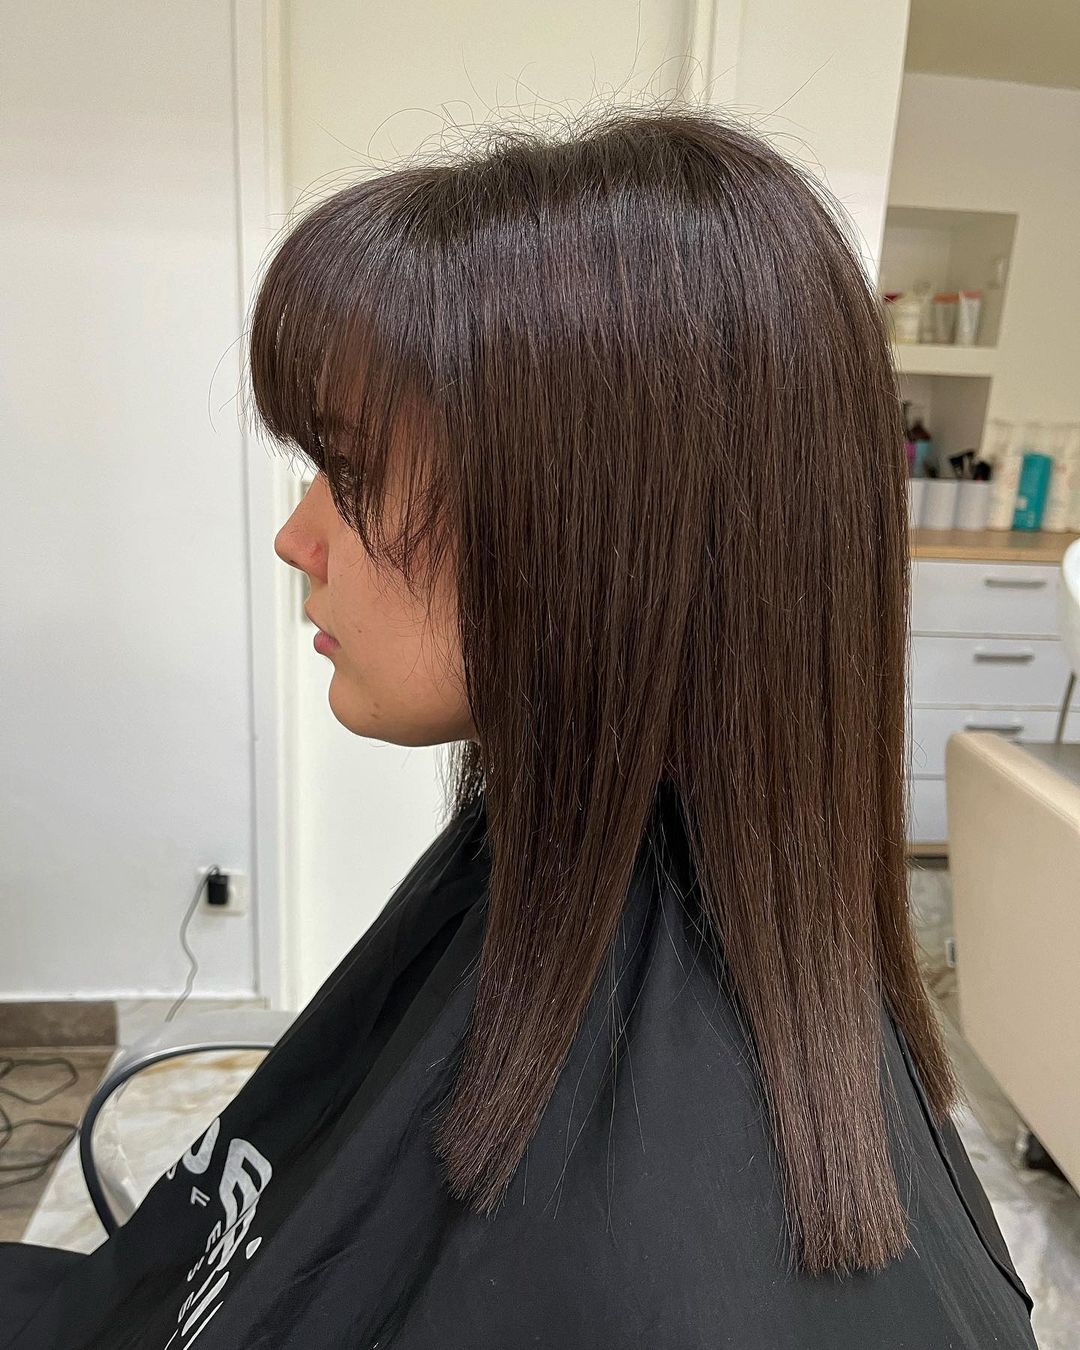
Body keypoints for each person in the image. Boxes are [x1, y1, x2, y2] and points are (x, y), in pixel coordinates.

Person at [1, 103, 1037, 1348]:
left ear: (599, 526)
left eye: (349, 470)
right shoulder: (557, 853)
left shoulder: (674, 1279)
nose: (295, 536)